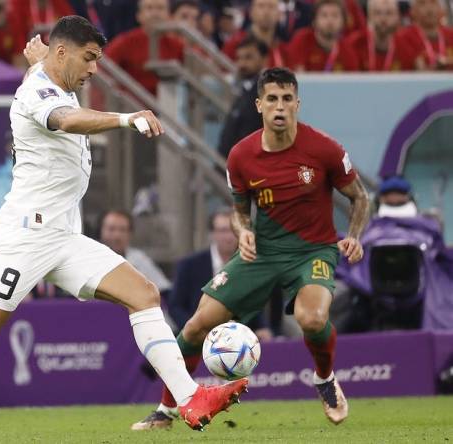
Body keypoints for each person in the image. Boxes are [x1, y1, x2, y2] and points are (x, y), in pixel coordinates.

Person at [0, 16, 247, 432]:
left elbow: (51, 78)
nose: (94, 69)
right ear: (63, 53)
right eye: (89, 59)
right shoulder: (38, 92)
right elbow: (66, 119)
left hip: (63, 237)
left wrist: (40, 60)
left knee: (142, 294)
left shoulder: (48, 79)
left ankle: (189, 398)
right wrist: (125, 118)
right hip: (26, 236)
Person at [131, 67, 370, 429]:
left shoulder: (325, 149)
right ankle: (167, 409)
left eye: (287, 99)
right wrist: (243, 231)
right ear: (259, 105)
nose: (280, 106)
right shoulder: (241, 156)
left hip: (313, 251)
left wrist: (353, 235)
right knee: (196, 325)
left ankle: (324, 378)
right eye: (272, 99)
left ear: (297, 103)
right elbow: (240, 213)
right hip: (263, 253)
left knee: (312, 318)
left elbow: (360, 197)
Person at [133, 207, 274, 430]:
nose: (226, 236)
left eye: (230, 230)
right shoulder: (190, 264)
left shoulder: (253, 263)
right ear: (212, 234)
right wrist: (201, 329)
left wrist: (263, 327)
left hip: (236, 336)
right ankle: (166, 411)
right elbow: (176, 305)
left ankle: (166, 412)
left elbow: (257, 301)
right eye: (220, 230)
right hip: (194, 330)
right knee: (190, 335)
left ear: (239, 232)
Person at [105, 0, 185, 95]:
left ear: (169, 15)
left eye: (160, 8)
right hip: (132, 105)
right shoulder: (125, 42)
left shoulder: (177, 45)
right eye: (149, 8)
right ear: (139, 15)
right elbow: (103, 68)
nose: (155, 13)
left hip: (168, 105)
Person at [218, 36, 269, 159]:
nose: (242, 64)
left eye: (248, 57)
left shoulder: (268, 94)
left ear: (264, 60)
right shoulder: (244, 90)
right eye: (239, 58)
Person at [99, 210, 171, 293]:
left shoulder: (139, 259)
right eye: (111, 229)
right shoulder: (89, 258)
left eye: (122, 230)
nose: (117, 235)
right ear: (101, 231)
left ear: (130, 234)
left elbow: (163, 288)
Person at [341, 0, 417, 71]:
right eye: (377, 13)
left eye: (389, 13)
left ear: (398, 17)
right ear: (369, 17)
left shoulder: (406, 47)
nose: (383, 18)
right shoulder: (354, 44)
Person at [286, 0, 356, 71]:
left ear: (343, 22)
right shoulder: (300, 41)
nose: (330, 20)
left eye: (335, 15)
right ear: (314, 21)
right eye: (324, 15)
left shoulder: (348, 51)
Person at [222, 0, 288, 67]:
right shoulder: (235, 44)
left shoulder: (282, 50)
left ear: (279, 14)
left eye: (271, 7)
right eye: (261, 6)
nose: (266, 12)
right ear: (251, 12)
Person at [396, 0, 453, 70]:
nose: (429, 9)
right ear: (413, 11)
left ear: (442, 10)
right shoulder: (403, 37)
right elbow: (419, 71)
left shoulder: (451, 35)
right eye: (422, 3)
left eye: (433, 3)